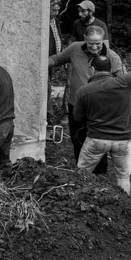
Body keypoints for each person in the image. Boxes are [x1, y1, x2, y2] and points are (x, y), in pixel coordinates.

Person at [74, 42, 131, 194]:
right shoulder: (124, 82)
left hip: (96, 139)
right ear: (110, 69)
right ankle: (124, 213)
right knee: (123, 177)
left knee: (82, 174)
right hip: (122, 141)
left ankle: (78, 206)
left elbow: (77, 117)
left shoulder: (84, 90)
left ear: (92, 69)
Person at [49, 25, 121, 171]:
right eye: (91, 43)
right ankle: (81, 170)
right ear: (85, 39)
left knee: (97, 140)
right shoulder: (75, 49)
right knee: (77, 138)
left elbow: (121, 84)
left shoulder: (112, 57)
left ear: (103, 40)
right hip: (76, 103)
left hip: (99, 107)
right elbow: (56, 59)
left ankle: (99, 173)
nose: (94, 47)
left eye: (98, 43)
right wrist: (37, 63)